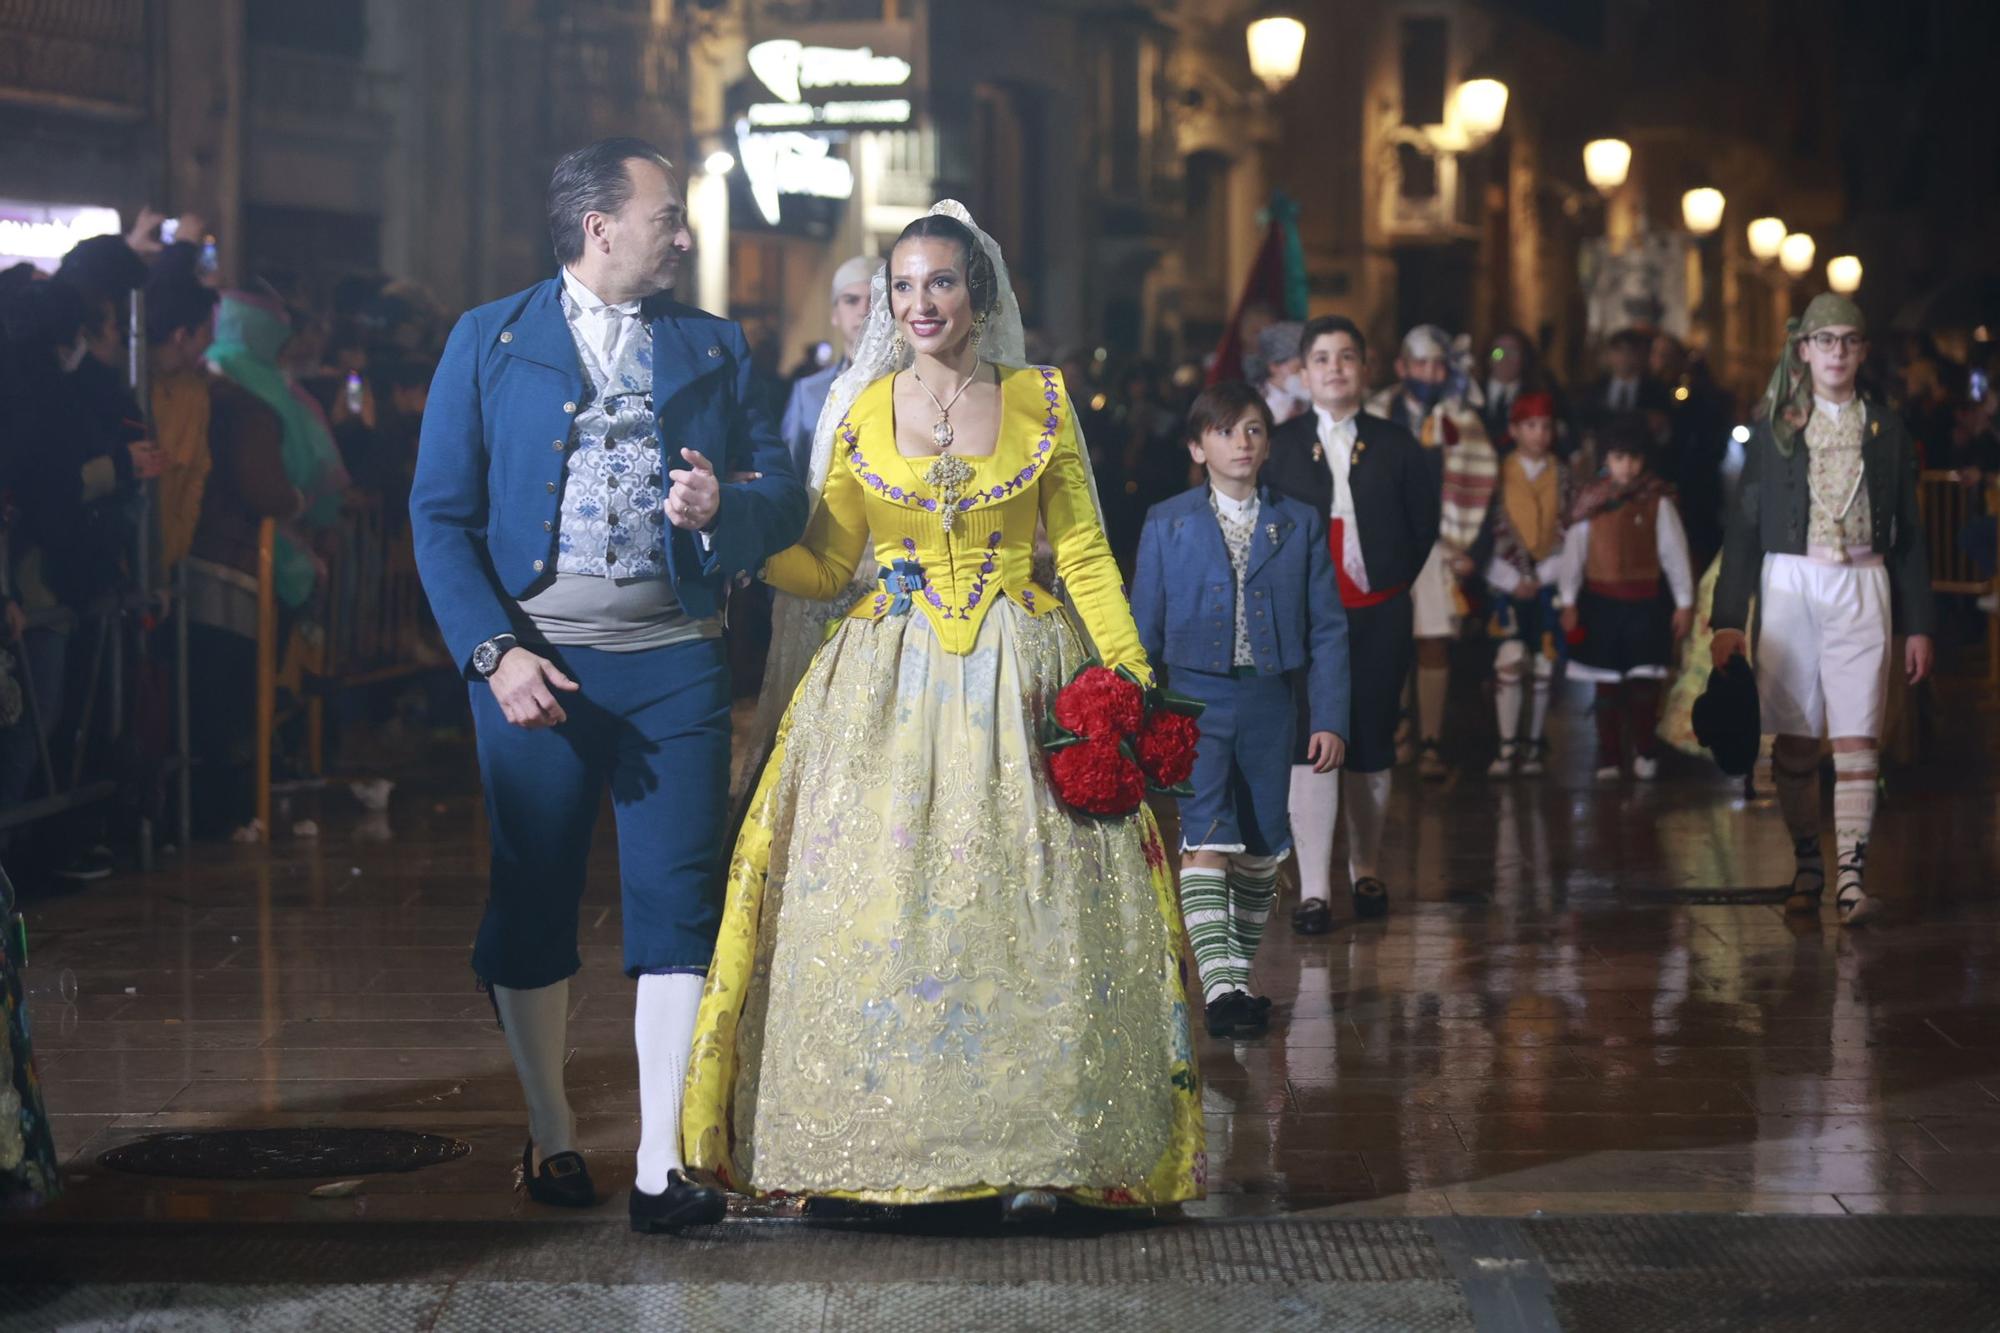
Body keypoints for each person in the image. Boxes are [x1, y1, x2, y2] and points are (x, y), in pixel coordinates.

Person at [682, 203, 1204, 1216]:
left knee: (1027, 910)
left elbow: (1087, 556)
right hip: (885, 690)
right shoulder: (864, 409)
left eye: (940, 284)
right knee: (882, 903)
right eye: (903, 286)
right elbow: (828, 562)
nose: (920, 303)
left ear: (980, 296)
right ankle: (864, 1151)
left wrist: (1130, 685)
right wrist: (727, 534)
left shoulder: (1041, 398)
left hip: (1021, 682)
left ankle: (1038, 1155)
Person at [409, 138, 808, 1229]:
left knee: (678, 904)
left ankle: (660, 1161)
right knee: (533, 896)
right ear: (599, 226)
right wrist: (494, 654)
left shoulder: (714, 345)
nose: (679, 234)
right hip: (533, 668)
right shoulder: (485, 339)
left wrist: (722, 506)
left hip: (676, 661)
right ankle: (550, 1131)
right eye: (665, 216)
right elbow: (438, 517)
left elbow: (782, 495)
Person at [1131, 381, 1348, 1039]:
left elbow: (1328, 628)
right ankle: (1223, 987)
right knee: (1205, 837)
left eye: (1254, 429)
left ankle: (1235, 974)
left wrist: (1329, 715)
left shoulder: (1299, 522)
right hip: (1195, 700)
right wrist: (1136, 710)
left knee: (1260, 850)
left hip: (1270, 702)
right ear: (1198, 447)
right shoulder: (1167, 522)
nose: (1242, 442)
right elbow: (1143, 623)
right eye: (1226, 431)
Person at [1711, 293, 1935, 927]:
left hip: (1864, 580)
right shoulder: (1775, 429)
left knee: (1860, 733)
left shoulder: (1887, 430)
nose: (1837, 351)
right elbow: (1743, 530)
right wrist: (1730, 618)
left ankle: (1851, 879)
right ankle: (1809, 860)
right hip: (1791, 582)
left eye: (1848, 340)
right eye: (1825, 340)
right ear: (1803, 350)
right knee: (1797, 738)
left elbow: (1911, 533)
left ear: (1863, 351)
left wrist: (1919, 623)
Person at [1265, 317, 1440, 931]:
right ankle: (1314, 890)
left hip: (1378, 612)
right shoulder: (1281, 446)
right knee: (1306, 743)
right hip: (1302, 624)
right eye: (1321, 358)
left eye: (1346, 357)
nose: (1334, 368)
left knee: (1369, 736)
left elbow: (1423, 525)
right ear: (1303, 372)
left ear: (1366, 369)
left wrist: (1388, 581)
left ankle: (1366, 867)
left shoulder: (1397, 444)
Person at [1367, 324, 1496, 780]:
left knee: (1433, 642)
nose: (1431, 372)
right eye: (1421, 363)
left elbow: (1483, 486)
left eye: (1438, 364)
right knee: (1391, 642)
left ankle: (1431, 742)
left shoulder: (1461, 416)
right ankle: (1398, 734)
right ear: (1402, 367)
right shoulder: (1377, 412)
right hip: (1388, 546)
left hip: (1442, 546)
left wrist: (1472, 552)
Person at [1559, 420, 1695, 782]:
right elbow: (1575, 554)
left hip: (1645, 605)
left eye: (1634, 459)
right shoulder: (1589, 503)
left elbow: (1673, 553)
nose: (1627, 467)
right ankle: (1609, 754)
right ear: (1607, 459)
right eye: (1619, 458)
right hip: (1601, 605)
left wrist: (1684, 601)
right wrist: (1568, 600)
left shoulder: (1657, 502)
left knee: (1644, 682)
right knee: (1606, 683)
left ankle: (1645, 748)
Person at [1478, 392, 1571, 777]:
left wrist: (1547, 574)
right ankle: (1506, 743)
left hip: (1549, 582)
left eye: (1546, 426)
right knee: (1510, 658)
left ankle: (1533, 744)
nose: (1539, 434)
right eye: (1530, 426)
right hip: (1506, 583)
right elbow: (1483, 530)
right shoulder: (1496, 473)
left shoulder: (1563, 475)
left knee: (1544, 665)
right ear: (1514, 430)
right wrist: (1510, 577)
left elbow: (1571, 531)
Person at [779, 255, 875, 481]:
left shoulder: (915, 385)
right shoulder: (808, 392)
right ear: (834, 314)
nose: (864, 309)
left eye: (875, 299)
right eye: (851, 300)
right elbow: (789, 475)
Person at [1247, 320, 1308, 428]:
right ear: (1274, 366)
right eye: (1298, 367)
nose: (1304, 373)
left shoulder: (1311, 398)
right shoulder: (1255, 403)